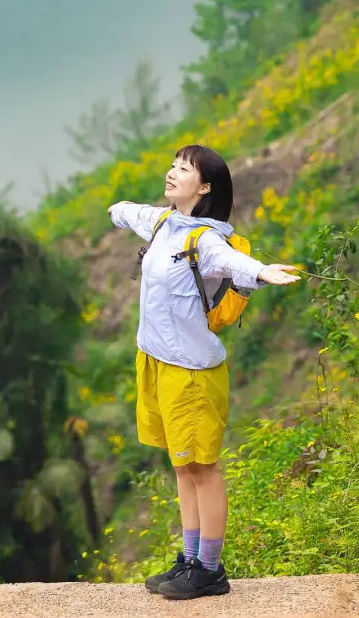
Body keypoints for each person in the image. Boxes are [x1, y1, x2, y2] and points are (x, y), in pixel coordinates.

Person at [109, 142, 301, 600]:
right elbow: (127, 212)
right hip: (156, 362)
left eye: (185, 169)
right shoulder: (161, 224)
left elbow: (230, 262)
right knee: (182, 466)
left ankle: (210, 570)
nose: (173, 173)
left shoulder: (205, 239)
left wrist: (261, 271)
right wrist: (115, 208)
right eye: (173, 165)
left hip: (192, 372)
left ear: (206, 186)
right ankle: (190, 558)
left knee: (203, 468)